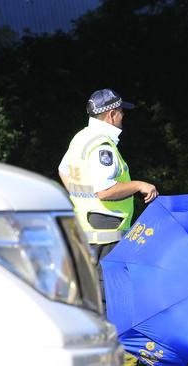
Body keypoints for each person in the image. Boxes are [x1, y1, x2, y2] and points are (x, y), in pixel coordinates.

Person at [58, 89, 158, 263]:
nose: (123, 116)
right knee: (106, 287)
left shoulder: (82, 137)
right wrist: (140, 185)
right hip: (106, 236)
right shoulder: (102, 145)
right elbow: (104, 190)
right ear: (112, 114)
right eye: (121, 112)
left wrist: (81, 198)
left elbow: (63, 170)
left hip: (85, 229)